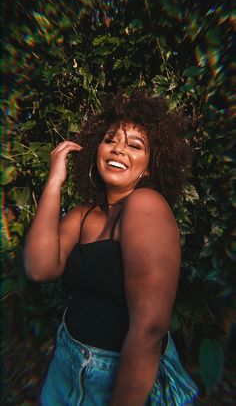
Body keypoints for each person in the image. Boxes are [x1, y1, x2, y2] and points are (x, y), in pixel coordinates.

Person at [24, 89, 198, 405]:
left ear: (149, 167)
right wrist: (54, 182)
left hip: (120, 378)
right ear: (96, 149)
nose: (118, 149)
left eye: (134, 145)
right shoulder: (83, 215)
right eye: (110, 140)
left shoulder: (146, 205)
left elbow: (150, 328)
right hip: (67, 362)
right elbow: (40, 268)